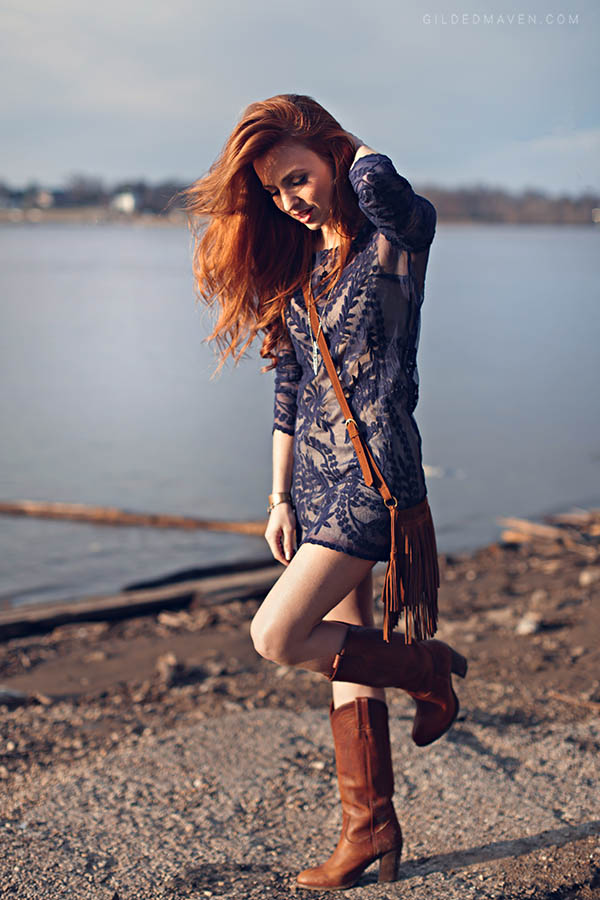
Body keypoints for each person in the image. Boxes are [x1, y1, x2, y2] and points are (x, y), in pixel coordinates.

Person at [185, 93, 467, 891]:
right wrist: (278, 499)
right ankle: (368, 828)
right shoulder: (304, 267)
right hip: (311, 485)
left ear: (334, 154)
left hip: (375, 480)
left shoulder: (396, 238)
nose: (291, 201)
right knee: (346, 663)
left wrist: (350, 148)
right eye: (275, 191)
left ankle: (427, 666)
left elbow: (382, 184)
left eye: (300, 178)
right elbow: (291, 388)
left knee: (274, 636)